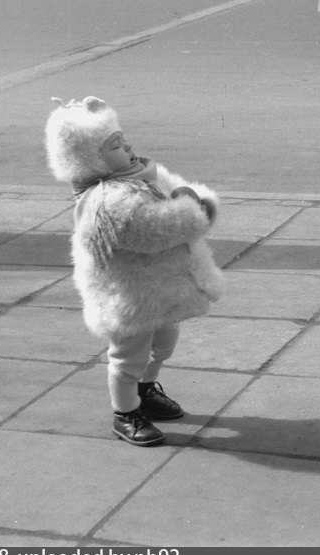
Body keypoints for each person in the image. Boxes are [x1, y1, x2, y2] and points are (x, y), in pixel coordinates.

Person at [44, 96, 225, 446]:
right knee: (129, 355)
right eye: (114, 146)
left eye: (123, 139)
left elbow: (174, 190)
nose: (127, 147)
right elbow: (152, 230)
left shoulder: (140, 174)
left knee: (164, 342)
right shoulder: (105, 201)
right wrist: (193, 208)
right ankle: (125, 412)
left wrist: (192, 199)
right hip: (128, 294)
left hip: (160, 287)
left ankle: (145, 389)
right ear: (89, 158)